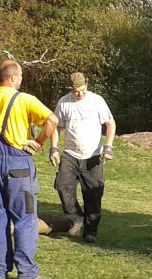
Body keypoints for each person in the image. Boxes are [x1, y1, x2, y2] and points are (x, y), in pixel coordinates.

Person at [0, 60, 57, 279]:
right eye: (21, 75)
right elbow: (52, 120)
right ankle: (26, 273)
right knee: (25, 218)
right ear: (14, 77)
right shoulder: (25, 99)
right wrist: (39, 142)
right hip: (19, 165)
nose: (22, 79)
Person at [49, 72, 115, 244]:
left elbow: (110, 123)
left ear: (86, 85)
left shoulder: (96, 101)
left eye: (82, 90)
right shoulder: (64, 102)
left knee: (93, 194)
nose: (79, 94)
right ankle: (76, 218)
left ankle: (90, 230)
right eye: (75, 91)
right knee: (62, 185)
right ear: (70, 90)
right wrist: (54, 148)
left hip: (93, 156)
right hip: (70, 155)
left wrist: (108, 147)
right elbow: (57, 127)